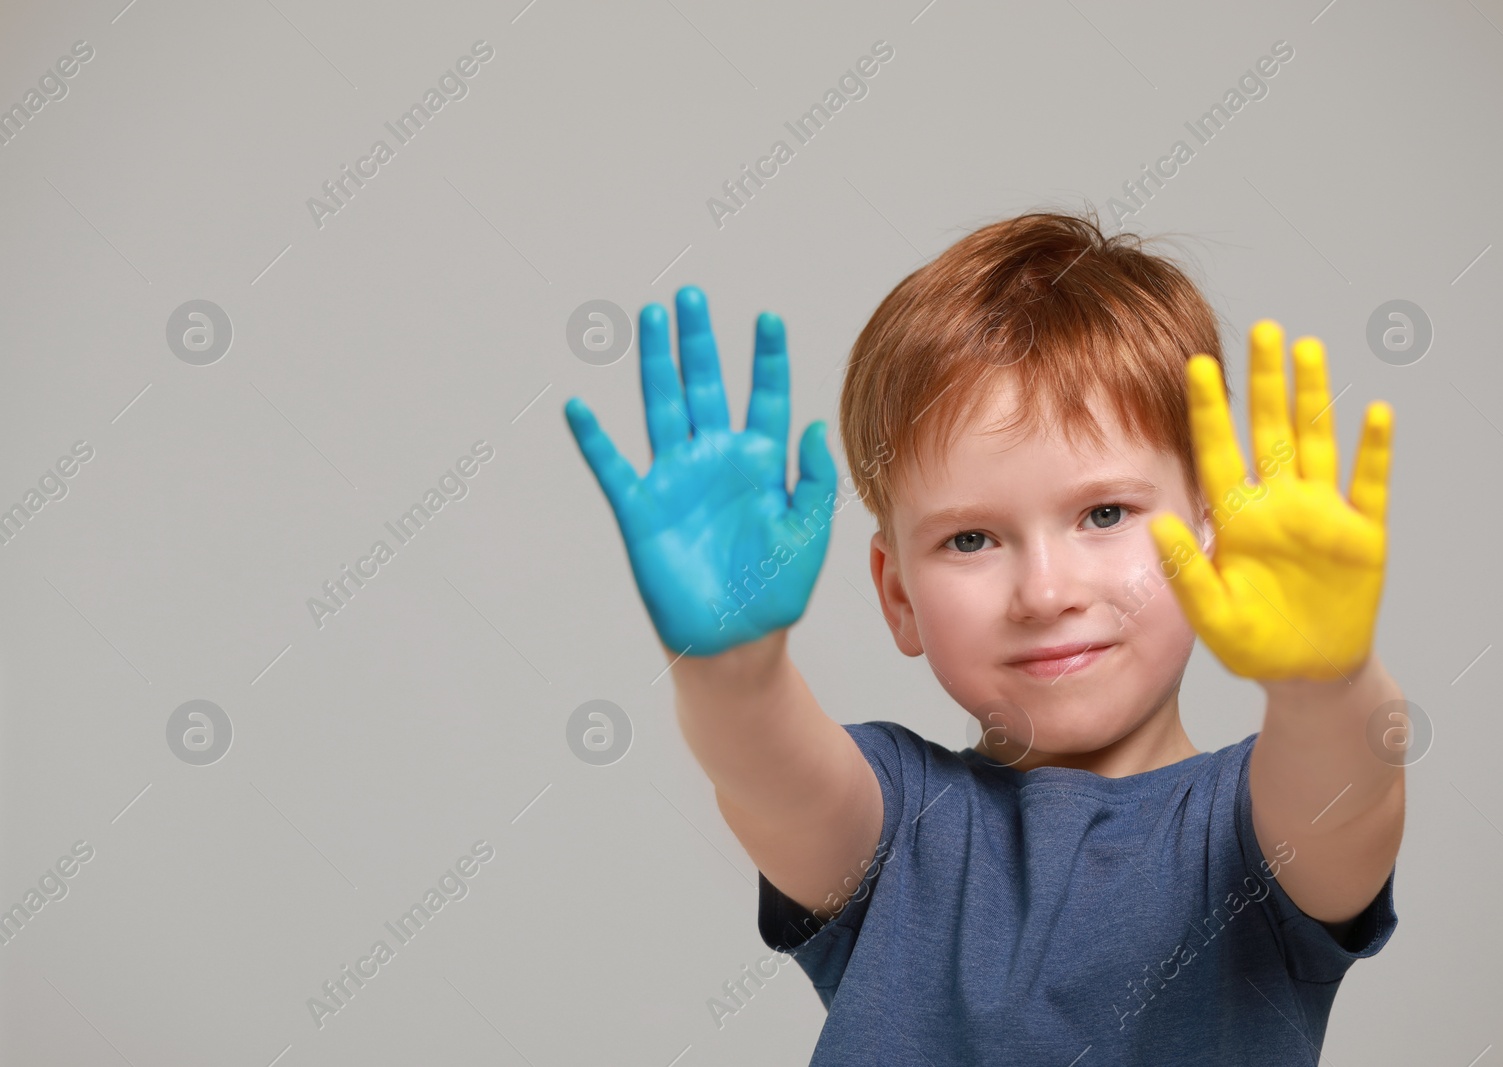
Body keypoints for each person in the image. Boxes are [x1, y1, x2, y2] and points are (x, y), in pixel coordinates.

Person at [563, 208, 1404, 1065]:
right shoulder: (894, 825)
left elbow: (1350, 793)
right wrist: (732, 667)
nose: (1044, 592)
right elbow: (774, 779)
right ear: (898, 594)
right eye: (971, 538)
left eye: (1104, 513)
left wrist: (1324, 678)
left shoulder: (1253, 831)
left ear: (1218, 535)